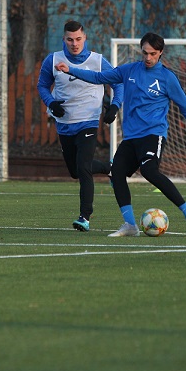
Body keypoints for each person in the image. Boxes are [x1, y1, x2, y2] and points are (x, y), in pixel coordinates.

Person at [56, 31, 186, 237]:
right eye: (144, 53)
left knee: (149, 171)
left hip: (153, 134)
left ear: (160, 53)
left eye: (152, 54)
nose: (148, 58)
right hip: (131, 138)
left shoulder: (167, 78)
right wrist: (71, 69)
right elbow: (98, 77)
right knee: (116, 173)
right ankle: (130, 225)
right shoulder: (129, 70)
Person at [38, 20, 124, 232]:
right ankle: (110, 168)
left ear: (85, 38)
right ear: (64, 40)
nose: (74, 43)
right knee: (75, 171)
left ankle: (85, 216)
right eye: (70, 39)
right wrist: (51, 103)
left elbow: (118, 83)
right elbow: (42, 85)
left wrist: (114, 106)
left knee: (84, 168)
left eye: (78, 39)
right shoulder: (53, 60)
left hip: (88, 121)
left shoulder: (98, 61)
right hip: (64, 123)